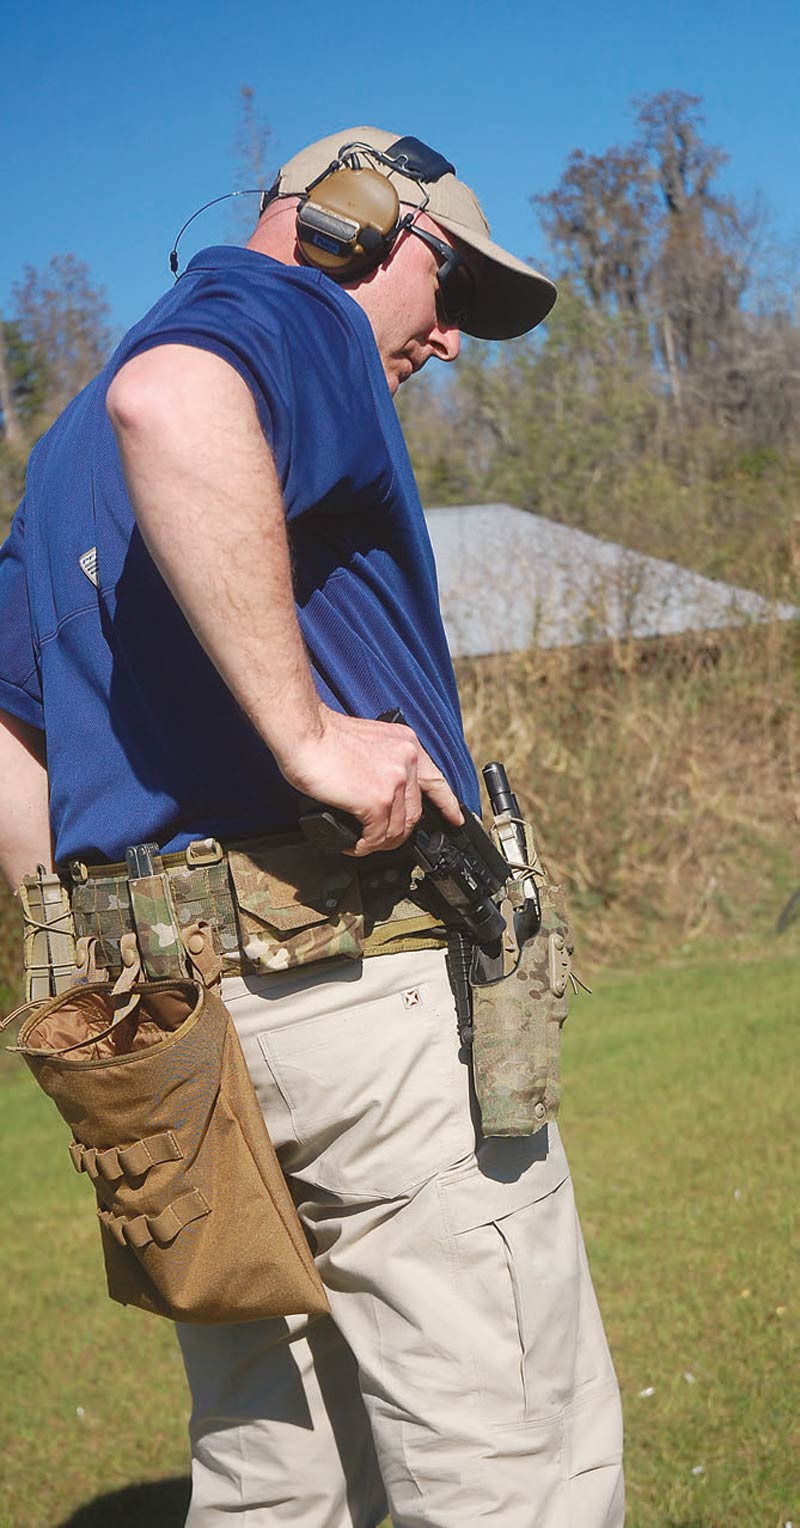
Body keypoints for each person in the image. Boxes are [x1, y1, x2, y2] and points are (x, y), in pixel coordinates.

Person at [0, 128, 624, 1526]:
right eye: (448, 283)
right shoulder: (290, 322)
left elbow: (9, 730)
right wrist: (306, 734)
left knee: (272, 1466)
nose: (454, 338)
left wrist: (89, 966)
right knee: (502, 1455)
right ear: (348, 221)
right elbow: (176, 399)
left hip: (171, 1038)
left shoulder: (57, 453)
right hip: (352, 988)